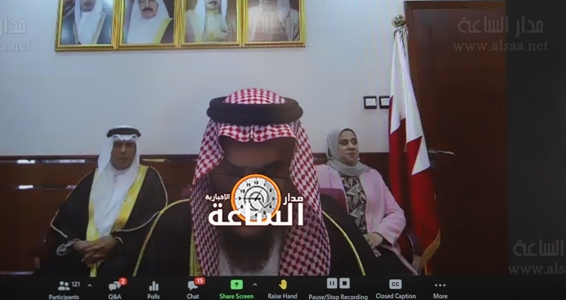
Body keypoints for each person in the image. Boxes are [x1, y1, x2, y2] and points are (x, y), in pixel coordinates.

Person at [134, 89, 374, 276]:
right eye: (233, 174)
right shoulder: (173, 227)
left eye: (269, 176)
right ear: (210, 172)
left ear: (293, 176)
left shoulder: (333, 229)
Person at [36, 126, 168, 277]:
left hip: (126, 253)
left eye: (129, 145)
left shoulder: (149, 178)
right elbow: (65, 218)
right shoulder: (93, 179)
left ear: (135, 149)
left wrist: (117, 240)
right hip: (83, 254)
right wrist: (77, 244)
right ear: (109, 149)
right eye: (117, 145)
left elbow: (155, 219)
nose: (123, 150)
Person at [316, 128, 417, 275]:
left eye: (354, 142)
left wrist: (379, 235)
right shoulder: (318, 174)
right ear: (332, 148)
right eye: (344, 143)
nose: (351, 146)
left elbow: (396, 213)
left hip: (375, 247)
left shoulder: (372, 175)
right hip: (338, 250)